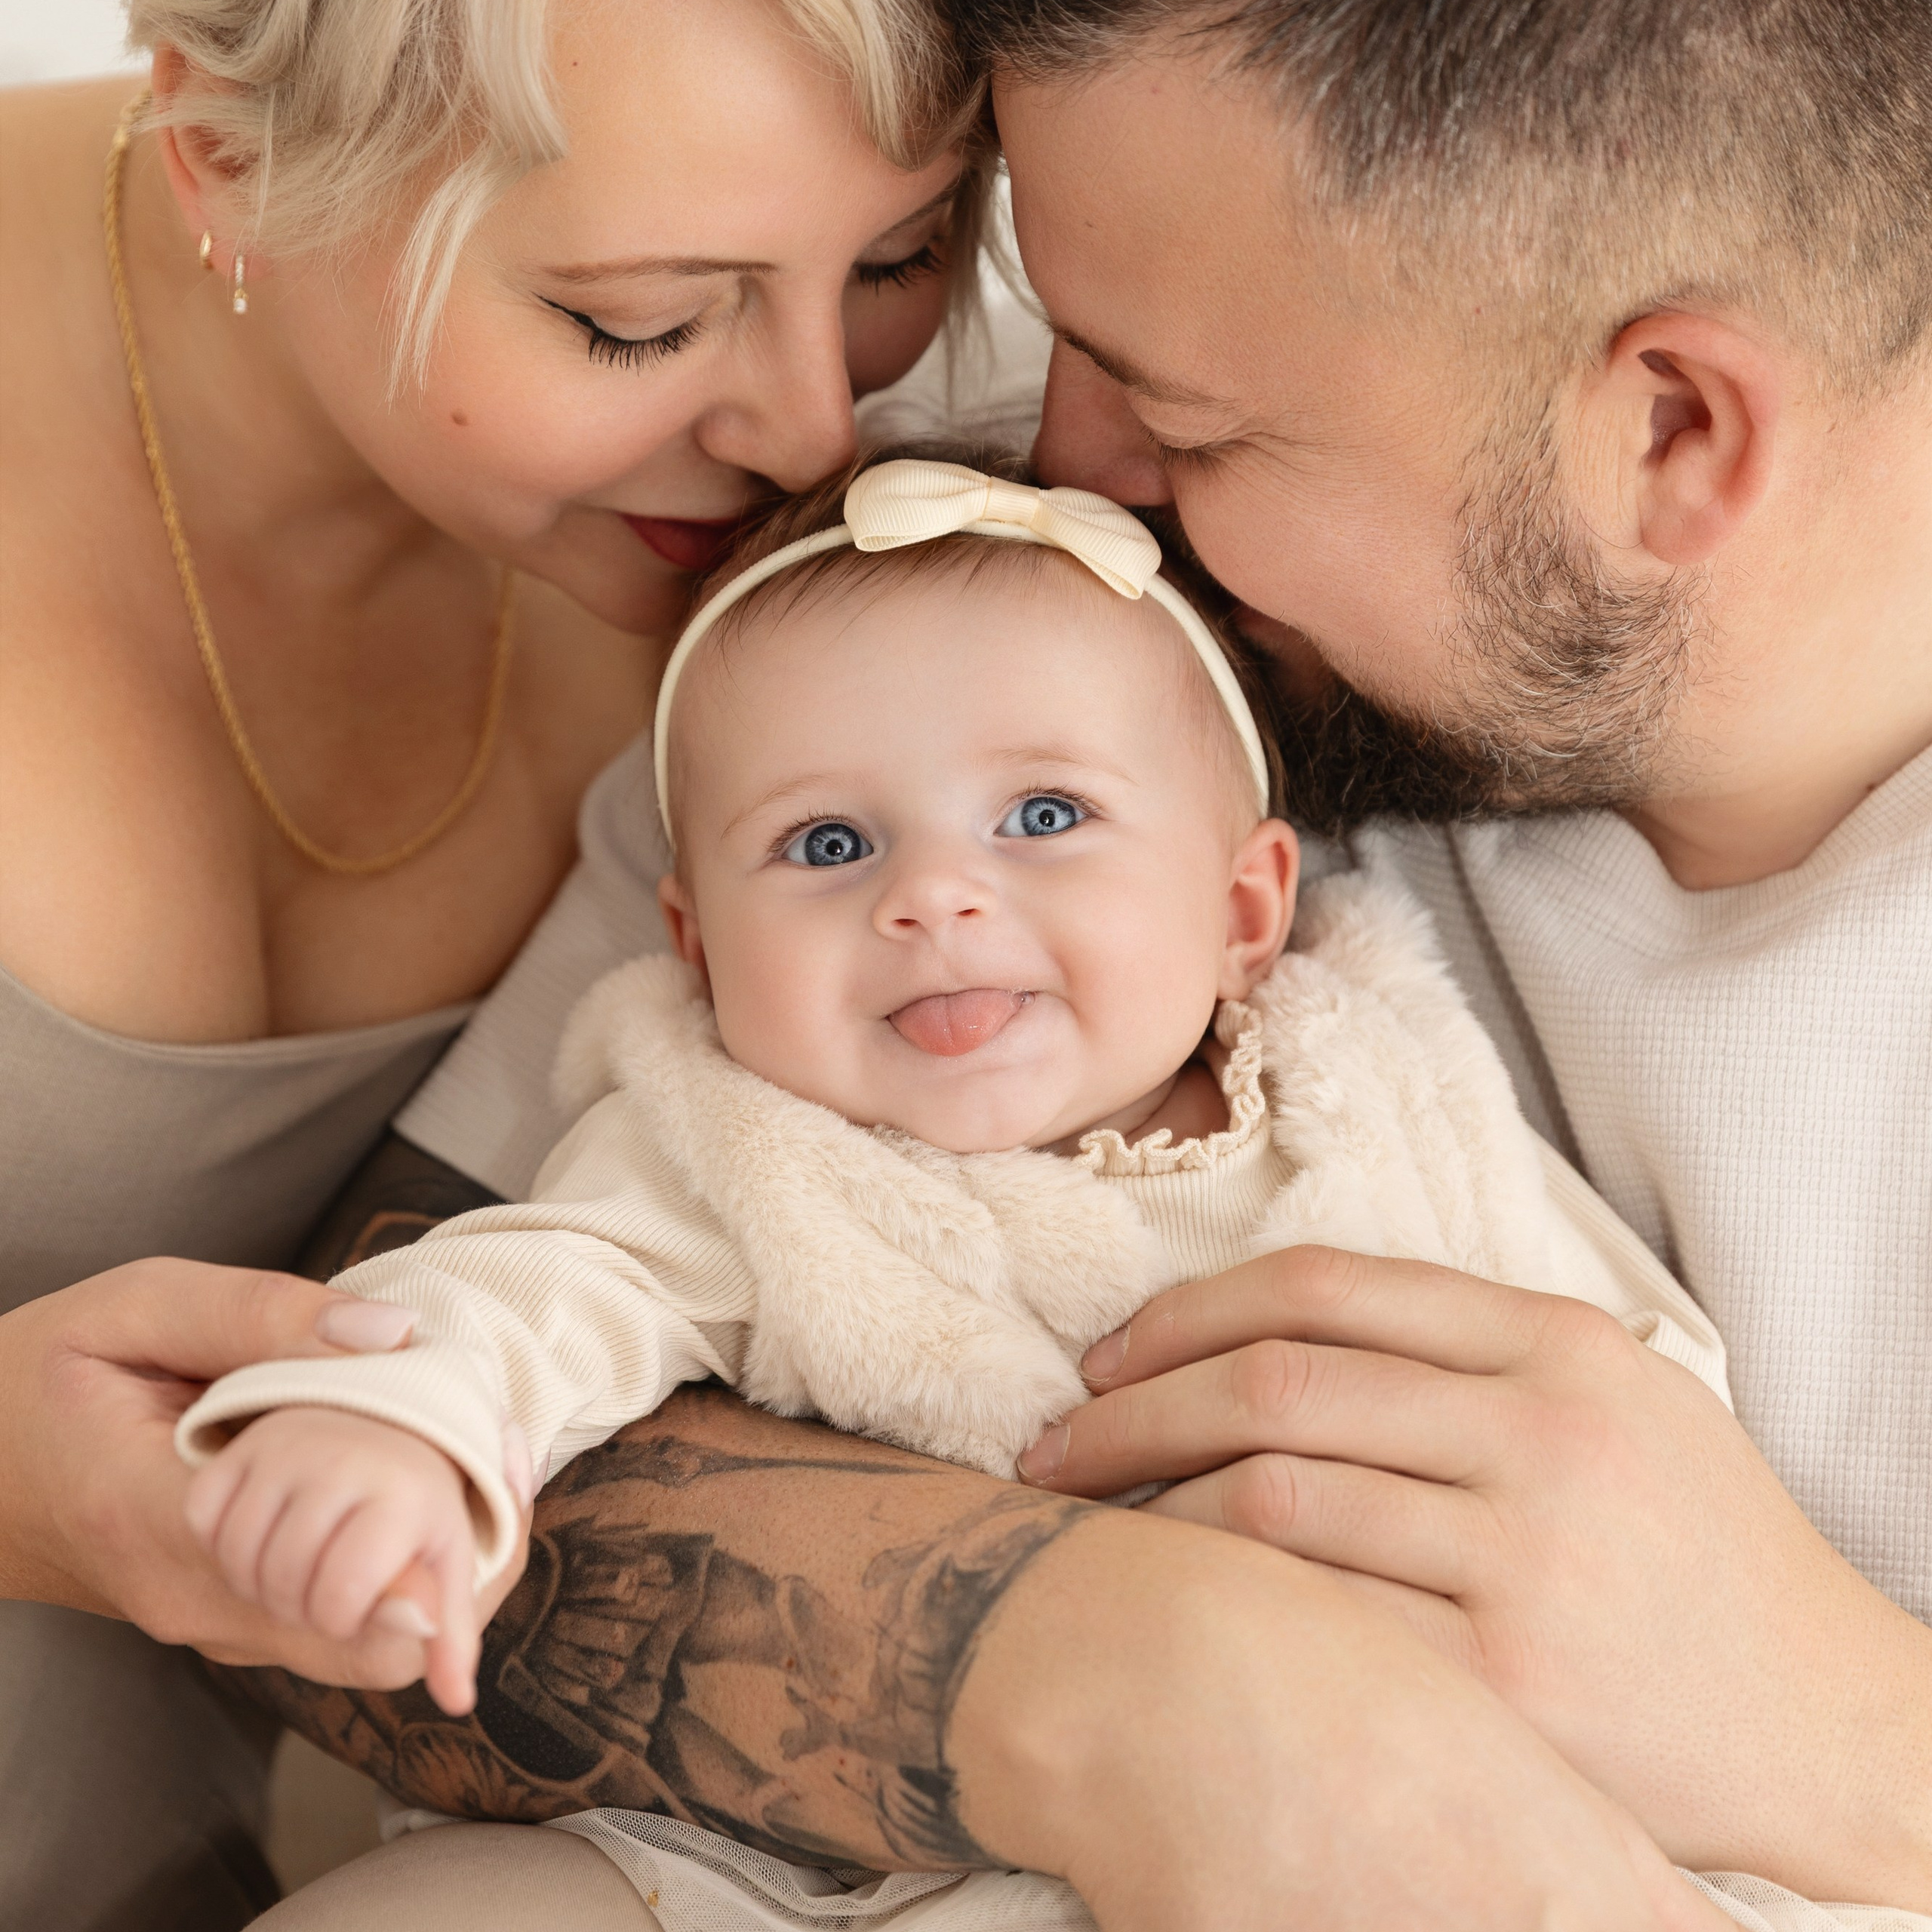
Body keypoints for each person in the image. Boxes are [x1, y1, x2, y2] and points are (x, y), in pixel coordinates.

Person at [224, 2, 1932, 1929]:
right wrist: (1132, 1669)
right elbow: (274, 1549)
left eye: (1175, 415)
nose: (1061, 469)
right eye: (1049, 332)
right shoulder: (957, 661)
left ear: (1668, 427)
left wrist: (1862, 1736)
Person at [169, 449, 1726, 1727]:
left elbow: (1621, 1383)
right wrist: (403, 1423)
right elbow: (540, 1292)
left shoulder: (1378, 1081)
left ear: (1245, 910)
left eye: (1041, 812)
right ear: (698, 949)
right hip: (881, 1863)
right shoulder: (752, 1152)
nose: (932, 897)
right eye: (829, 845)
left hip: (1409, 1764)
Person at [0, 0, 995, 1921]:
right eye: (637, 317)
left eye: (902, 256)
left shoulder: (895, 517)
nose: (813, 427)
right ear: (221, 150)